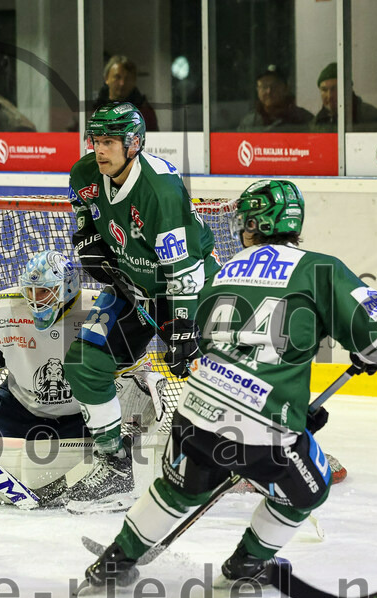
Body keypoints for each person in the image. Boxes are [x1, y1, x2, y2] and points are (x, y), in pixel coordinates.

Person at [83, 180, 377, 590]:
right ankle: (247, 564)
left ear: (256, 223)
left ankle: (114, 561)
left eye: (244, 219)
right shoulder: (319, 268)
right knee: (311, 488)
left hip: (195, 410)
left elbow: (206, 343)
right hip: (261, 421)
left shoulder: (226, 270)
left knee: (181, 488)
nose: (239, 227)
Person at [0, 249, 169, 511]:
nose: (35, 301)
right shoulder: (3, 308)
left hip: (80, 414)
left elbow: (131, 369)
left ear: (68, 288)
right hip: (19, 408)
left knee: (95, 471)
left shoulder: (98, 310)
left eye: (45, 292)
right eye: (30, 291)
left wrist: (143, 382)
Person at [63, 102, 220, 512]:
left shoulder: (160, 190)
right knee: (84, 363)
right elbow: (84, 217)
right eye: (96, 141)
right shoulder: (84, 174)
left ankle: (273, 448)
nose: (100, 151)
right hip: (132, 286)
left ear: (134, 144)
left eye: (110, 142)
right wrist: (88, 244)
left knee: (225, 374)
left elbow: (182, 268)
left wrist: (183, 328)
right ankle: (114, 467)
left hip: (189, 287)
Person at [310, 62, 377, 132]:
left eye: (335, 89)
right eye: (324, 90)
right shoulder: (316, 124)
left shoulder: (372, 118)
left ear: (348, 89)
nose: (329, 95)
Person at [237, 65, 313, 132]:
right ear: (257, 90)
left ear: (286, 89)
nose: (269, 91)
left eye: (275, 86)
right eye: (264, 86)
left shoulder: (304, 119)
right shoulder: (249, 122)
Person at [92, 56, 159, 132]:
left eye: (127, 78)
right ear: (106, 78)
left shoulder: (144, 112)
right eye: (117, 77)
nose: (122, 83)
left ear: (134, 81)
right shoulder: (93, 109)